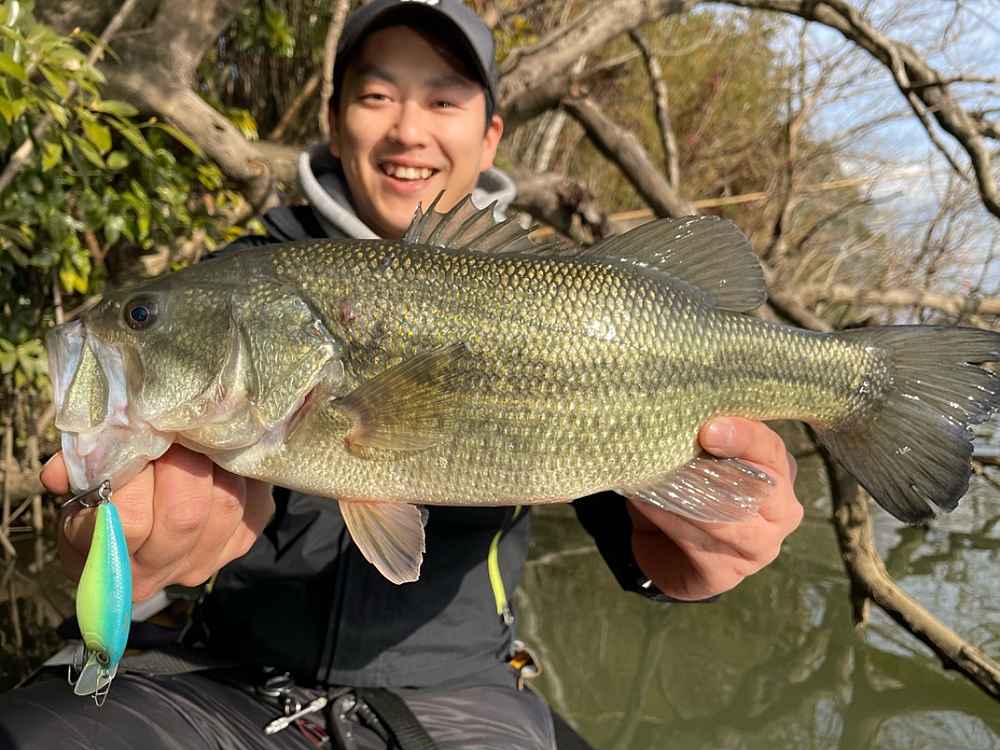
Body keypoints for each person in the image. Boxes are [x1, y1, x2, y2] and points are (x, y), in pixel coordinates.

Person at [0, 1, 803, 748]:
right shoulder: (238, 279)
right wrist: (115, 525)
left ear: (491, 136)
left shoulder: (565, 299)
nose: (408, 130)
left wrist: (690, 563)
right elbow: (123, 493)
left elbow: (642, 538)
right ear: (334, 120)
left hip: (466, 692)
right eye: (377, 95)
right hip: (221, 671)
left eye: (443, 100)